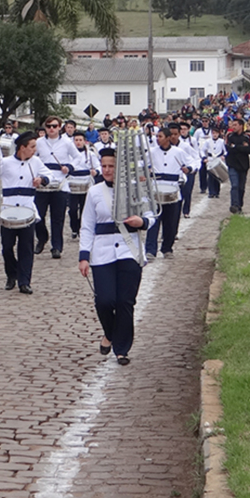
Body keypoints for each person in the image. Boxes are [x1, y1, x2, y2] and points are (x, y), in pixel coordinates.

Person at [78, 148, 156, 366]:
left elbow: (151, 215)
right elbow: (86, 226)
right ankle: (110, 334)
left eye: (111, 166)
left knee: (125, 301)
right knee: (104, 300)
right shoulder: (94, 192)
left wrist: (142, 222)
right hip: (102, 252)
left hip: (129, 250)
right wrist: (84, 255)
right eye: (103, 166)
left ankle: (122, 349)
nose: (106, 170)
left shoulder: (136, 189)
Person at [0, 132, 50, 293]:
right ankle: (11, 274)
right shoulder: (5, 162)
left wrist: (42, 180)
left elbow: (49, 175)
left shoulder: (36, 162)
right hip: (8, 209)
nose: (35, 150)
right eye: (32, 147)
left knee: (26, 247)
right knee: (7, 247)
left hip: (28, 209)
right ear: (22, 147)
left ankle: (24, 281)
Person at [33, 116, 83, 259]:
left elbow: (78, 157)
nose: (51, 129)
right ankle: (42, 238)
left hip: (60, 184)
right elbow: (32, 157)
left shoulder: (67, 142)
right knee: (38, 216)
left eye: (54, 126)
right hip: (43, 184)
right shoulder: (39, 142)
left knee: (58, 218)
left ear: (60, 127)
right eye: (48, 126)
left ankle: (57, 247)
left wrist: (70, 167)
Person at [145, 127, 186, 260]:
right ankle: (150, 250)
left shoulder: (178, 152)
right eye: (156, 137)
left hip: (172, 191)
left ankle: (167, 248)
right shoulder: (151, 152)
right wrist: (145, 172)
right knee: (154, 222)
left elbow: (192, 162)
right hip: (155, 192)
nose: (157, 139)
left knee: (170, 223)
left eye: (160, 136)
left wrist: (188, 168)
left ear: (168, 138)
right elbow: (142, 164)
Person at [67, 133, 100, 239]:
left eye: (80, 140)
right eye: (76, 140)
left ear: (84, 141)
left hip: (86, 183)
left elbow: (98, 166)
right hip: (72, 183)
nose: (78, 142)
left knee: (84, 208)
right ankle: (74, 227)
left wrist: (96, 171)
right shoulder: (68, 154)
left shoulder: (90, 154)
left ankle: (81, 228)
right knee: (72, 209)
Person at [225, 120, 250, 214]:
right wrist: (241, 147)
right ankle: (234, 205)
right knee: (235, 185)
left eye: (235, 125)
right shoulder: (229, 136)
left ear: (241, 126)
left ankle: (240, 205)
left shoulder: (247, 136)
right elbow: (228, 148)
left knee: (241, 187)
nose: (233, 127)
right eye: (232, 125)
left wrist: (236, 147)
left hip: (243, 165)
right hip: (232, 163)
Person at [205, 127, 226, 199]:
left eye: (216, 133)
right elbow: (202, 150)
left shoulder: (221, 141)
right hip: (210, 159)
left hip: (218, 159)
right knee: (210, 176)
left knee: (217, 176)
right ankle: (211, 192)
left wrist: (224, 156)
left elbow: (225, 151)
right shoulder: (208, 141)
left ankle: (217, 192)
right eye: (213, 133)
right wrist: (204, 158)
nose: (215, 135)